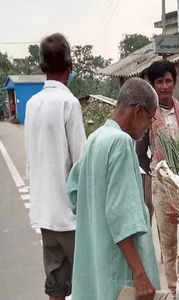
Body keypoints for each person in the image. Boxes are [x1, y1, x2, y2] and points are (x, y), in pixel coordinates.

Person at [67, 78, 160, 300]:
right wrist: (139, 273)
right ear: (138, 111)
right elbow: (121, 216)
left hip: (96, 259)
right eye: (150, 118)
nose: (149, 127)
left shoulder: (95, 139)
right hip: (119, 265)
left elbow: (73, 192)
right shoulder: (121, 143)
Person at [24, 33, 86, 300]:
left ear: (41, 67)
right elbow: (81, 162)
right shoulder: (69, 103)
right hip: (69, 216)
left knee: (56, 284)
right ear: (70, 67)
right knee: (84, 282)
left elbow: (32, 157)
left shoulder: (31, 104)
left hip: (44, 213)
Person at [136, 60, 179, 294]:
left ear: (174, 83)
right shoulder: (146, 116)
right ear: (152, 85)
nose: (164, 86)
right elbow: (140, 150)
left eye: (168, 81)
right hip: (160, 184)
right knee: (168, 242)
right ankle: (173, 289)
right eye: (159, 82)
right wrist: (154, 170)